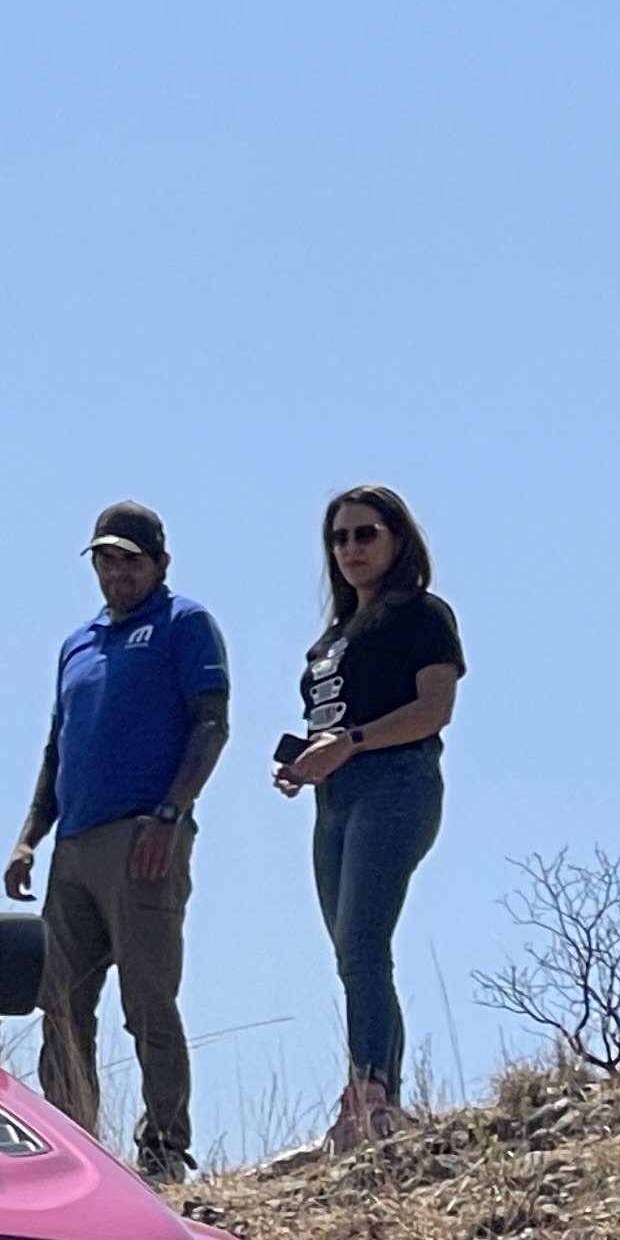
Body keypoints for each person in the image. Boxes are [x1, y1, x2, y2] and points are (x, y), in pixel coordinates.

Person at [2, 502, 228, 1182]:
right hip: (73, 841)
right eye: (105, 559)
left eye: (130, 560)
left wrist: (170, 814)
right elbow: (58, 746)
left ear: (159, 562)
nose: (116, 572)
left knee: (147, 999)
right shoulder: (79, 643)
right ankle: (71, 1149)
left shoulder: (183, 623)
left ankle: (163, 1149)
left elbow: (211, 723)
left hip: (142, 838)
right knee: (61, 1004)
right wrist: (28, 838)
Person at [270, 483, 462, 1151]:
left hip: (396, 784)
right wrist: (305, 763)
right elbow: (327, 726)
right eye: (340, 537)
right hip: (334, 800)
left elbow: (434, 709)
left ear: (397, 539)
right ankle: (372, 1093)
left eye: (365, 534)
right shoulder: (330, 641)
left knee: (362, 943)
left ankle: (373, 1096)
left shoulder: (421, 614)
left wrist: (351, 743)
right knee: (352, 955)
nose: (351, 548)